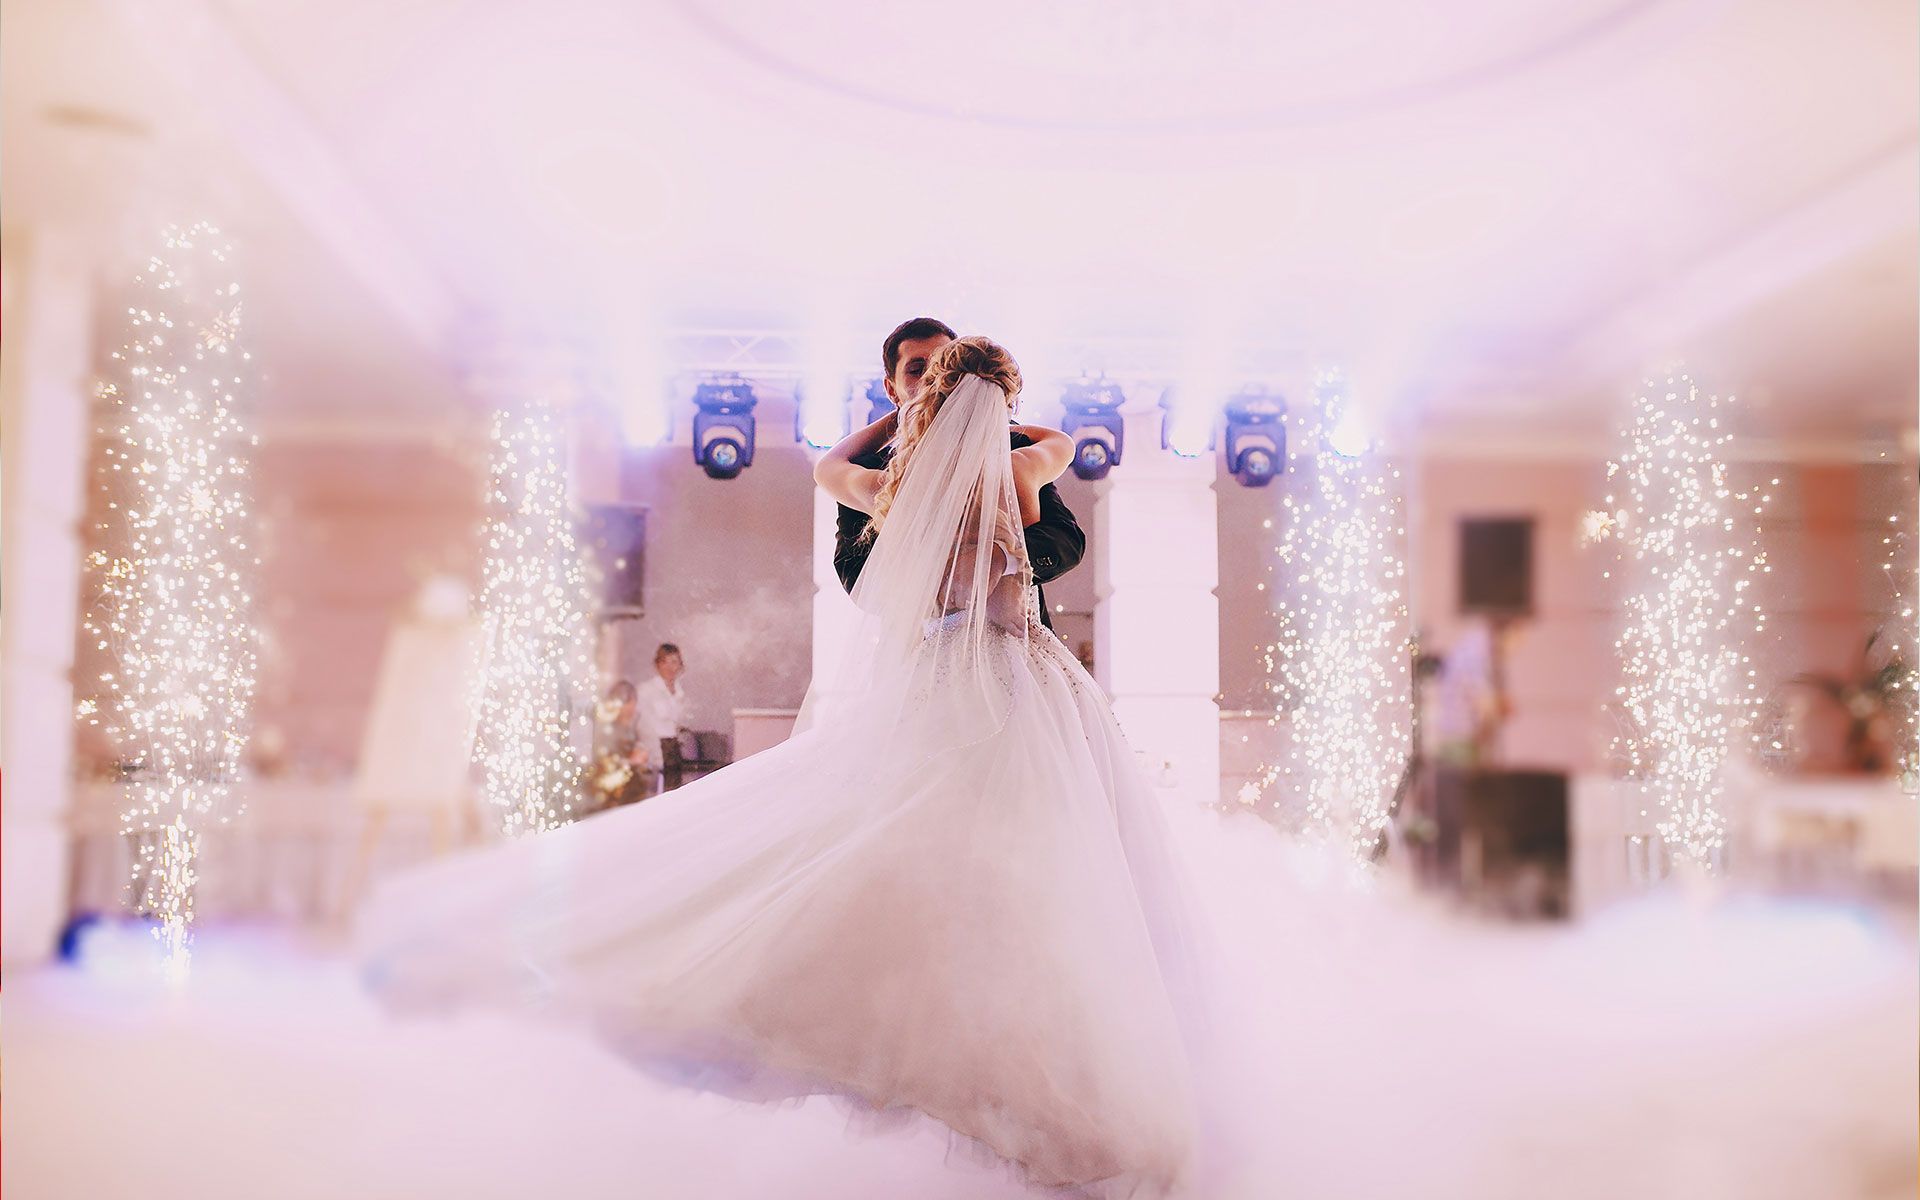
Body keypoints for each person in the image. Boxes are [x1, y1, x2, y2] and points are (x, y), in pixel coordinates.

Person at [359, 337, 1205, 1197]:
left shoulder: (895, 483)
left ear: (933, 397)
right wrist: (994, 421)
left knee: (929, 855)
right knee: (1038, 873)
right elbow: (1058, 445)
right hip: (1025, 687)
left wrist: (905, 421)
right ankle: (1028, 1061)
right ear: (1001, 403)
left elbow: (830, 470)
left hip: (939, 683)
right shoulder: (1022, 472)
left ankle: (974, 1051)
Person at [832, 316, 1085, 631]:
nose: (933, 382)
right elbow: (858, 576)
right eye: (917, 370)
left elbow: (1065, 541)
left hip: (1002, 637)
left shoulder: (1013, 448)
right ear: (891, 389)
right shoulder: (877, 468)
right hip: (925, 642)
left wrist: (999, 559)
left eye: (942, 368)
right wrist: (945, 588)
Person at [634, 642, 691, 791]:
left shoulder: (681, 693)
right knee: (656, 795)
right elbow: (642, 726)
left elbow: (681, 723)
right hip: (654, 749)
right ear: (658, 664)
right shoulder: (646, 690)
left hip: (674, 750)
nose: (669, 667)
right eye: (664, 662)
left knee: (675, 793)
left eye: (674, 662)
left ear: (680, 665)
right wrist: (654, 754)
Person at [590, 681, 654, 807]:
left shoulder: (631, 725)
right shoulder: (607, 729)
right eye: (629, 703)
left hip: (632, 787)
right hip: (614, 793)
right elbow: (604, 762)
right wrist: (632, 761)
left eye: (634, 703)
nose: (633, 708)